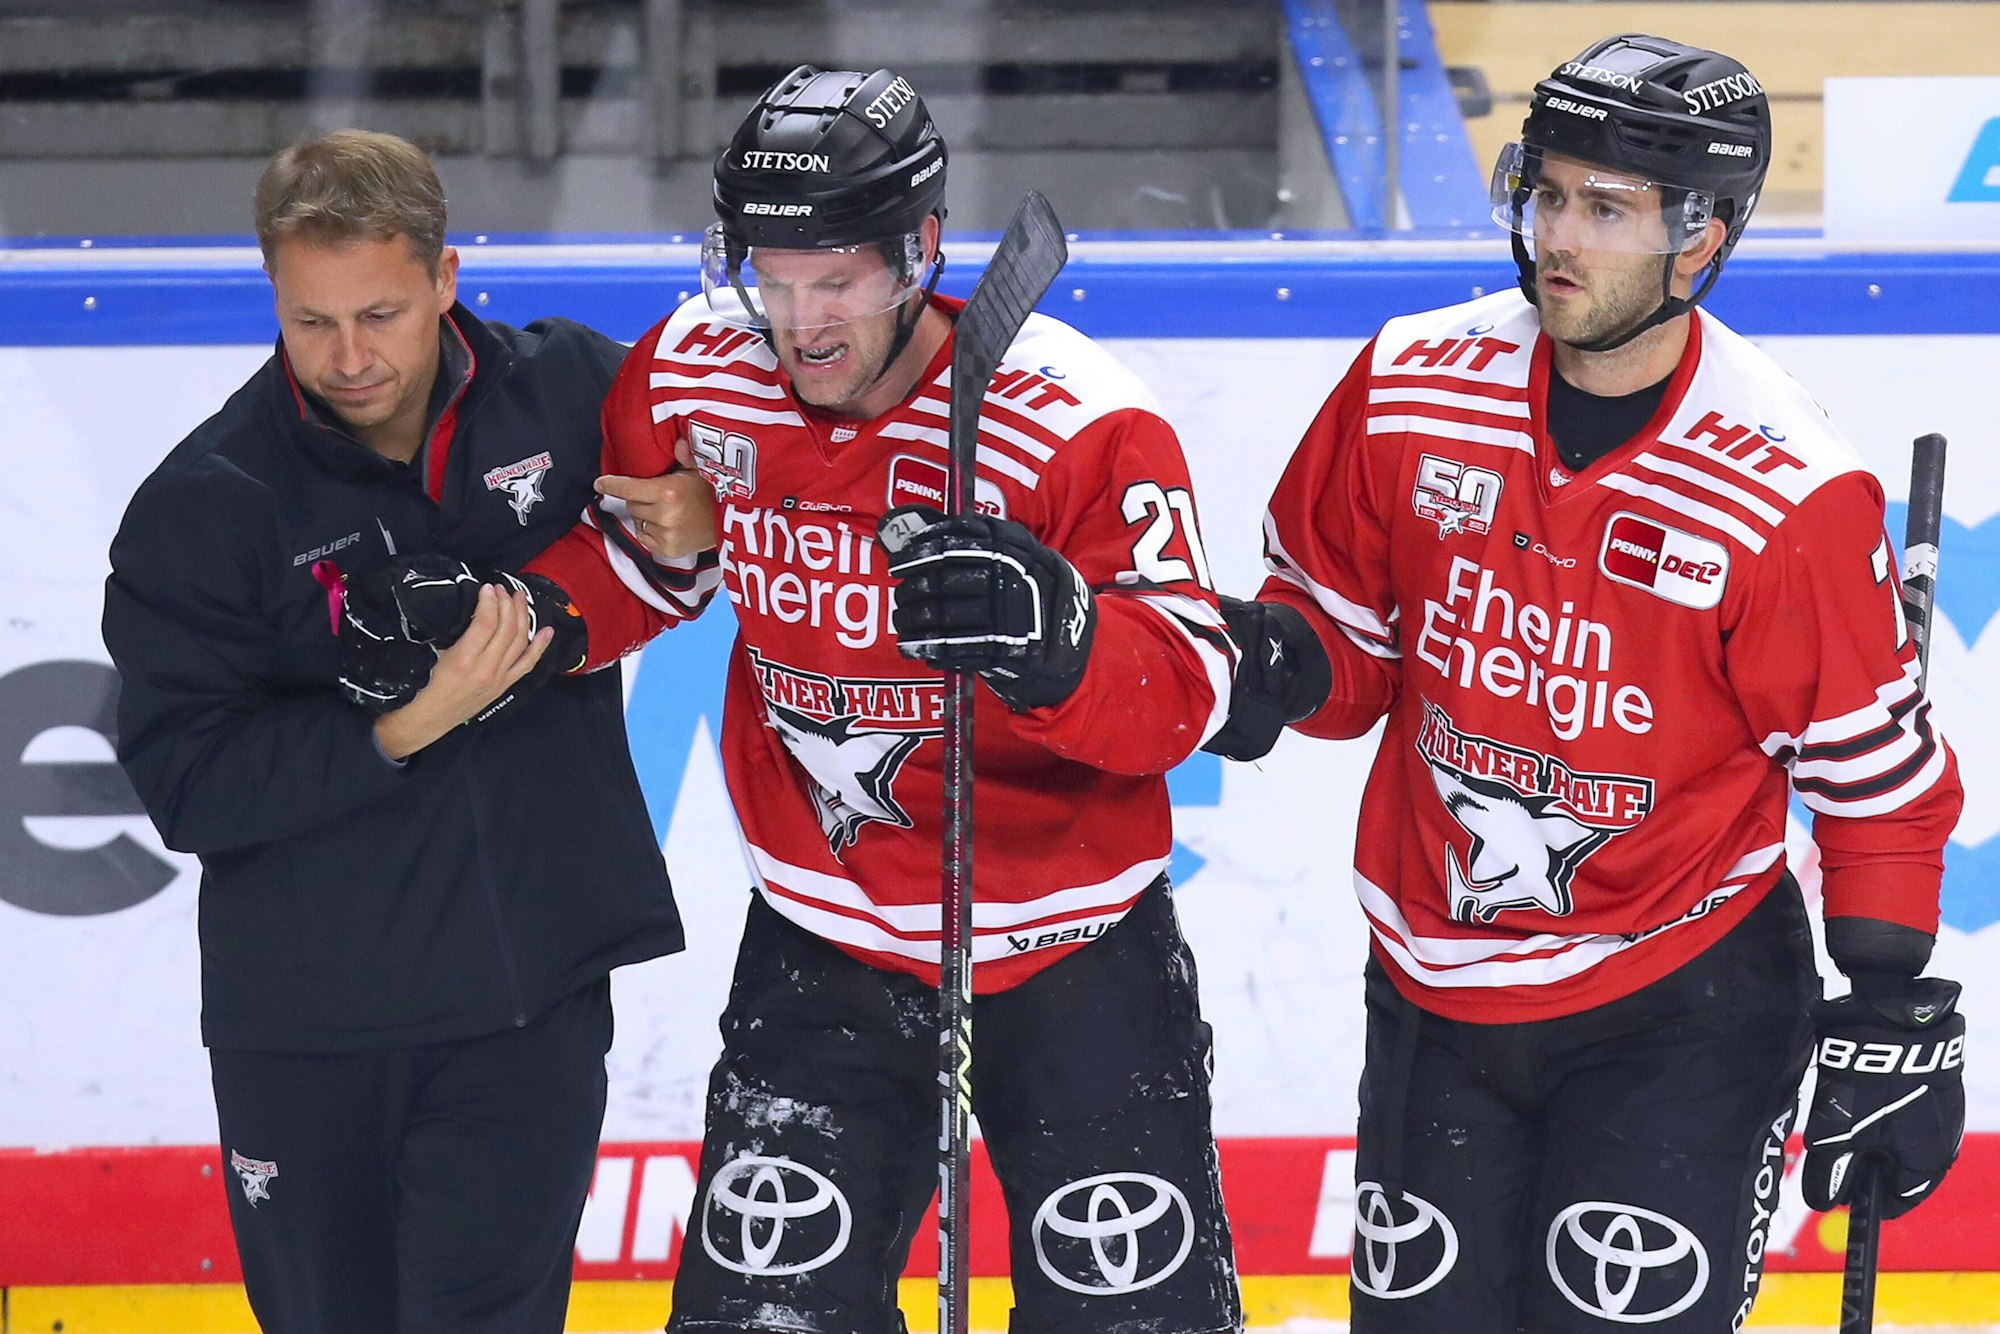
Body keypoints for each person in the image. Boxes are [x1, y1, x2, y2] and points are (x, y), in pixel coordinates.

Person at [1201, 35, 1967, 1333]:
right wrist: (1263, 659)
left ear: (1704, 239)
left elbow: (1876, 787)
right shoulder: (1408, 385)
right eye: (1548, 191)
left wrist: (1890, 1006)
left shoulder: (1784, 489)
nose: (1558, 235)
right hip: (1436, 990)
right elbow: (1341, 660)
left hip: (1680, 1004)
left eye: (1605, 209)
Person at [506, 64, 1244, 1334]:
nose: (799, 321)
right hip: (824, 932)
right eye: (772, 279)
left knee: (1131, 1318)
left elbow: (1191, 683)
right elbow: (640, 564)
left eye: (834, 278)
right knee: (760, 1314)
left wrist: (1058, 637)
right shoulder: (694, 373)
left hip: (1071, 940)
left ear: (919, 251)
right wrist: (523, 615)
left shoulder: (1071, 421)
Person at [102, 129, 685, 1334]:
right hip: (310, 1034)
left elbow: (748, 467)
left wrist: (693, 500)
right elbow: (189, 781)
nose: (348, 357)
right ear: (272, 291)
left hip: (528, 1010)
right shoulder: (204, 504)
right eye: (311, 321)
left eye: (378, 312)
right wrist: (400, 726)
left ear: (445, 277)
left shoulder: (570, 385)